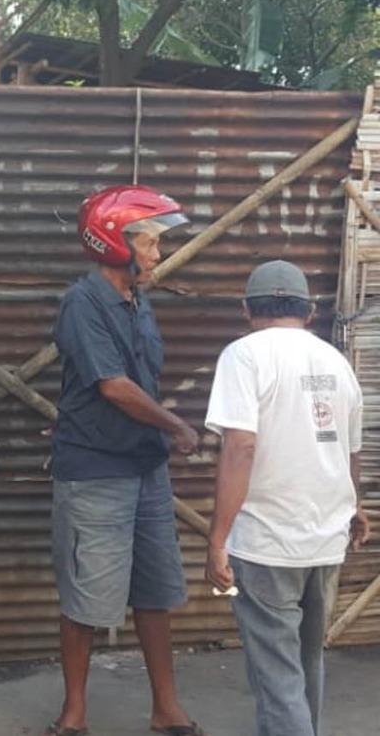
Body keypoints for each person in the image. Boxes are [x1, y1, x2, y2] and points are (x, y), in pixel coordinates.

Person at [45, 186, 206, 736]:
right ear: (115, 242)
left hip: (145, 469)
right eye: (150, 242)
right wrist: (177, 426)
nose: (158, 253)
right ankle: (74, 714)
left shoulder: (139, 302)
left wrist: (164, 436)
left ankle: (166, 708)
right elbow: (114, 386)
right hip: (95, 470)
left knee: (156, 592)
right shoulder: (82, 303)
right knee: (87, 597)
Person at [203, 260, 371, 736]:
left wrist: (217, 539)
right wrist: (354, 504)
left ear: (246, 309)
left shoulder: (244, 354)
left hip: (267, 543)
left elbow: (240, 446)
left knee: (277, 675)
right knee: (305, 661)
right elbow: (349, 448)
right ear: (311, 311)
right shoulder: (336, 362)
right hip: (325, 539)